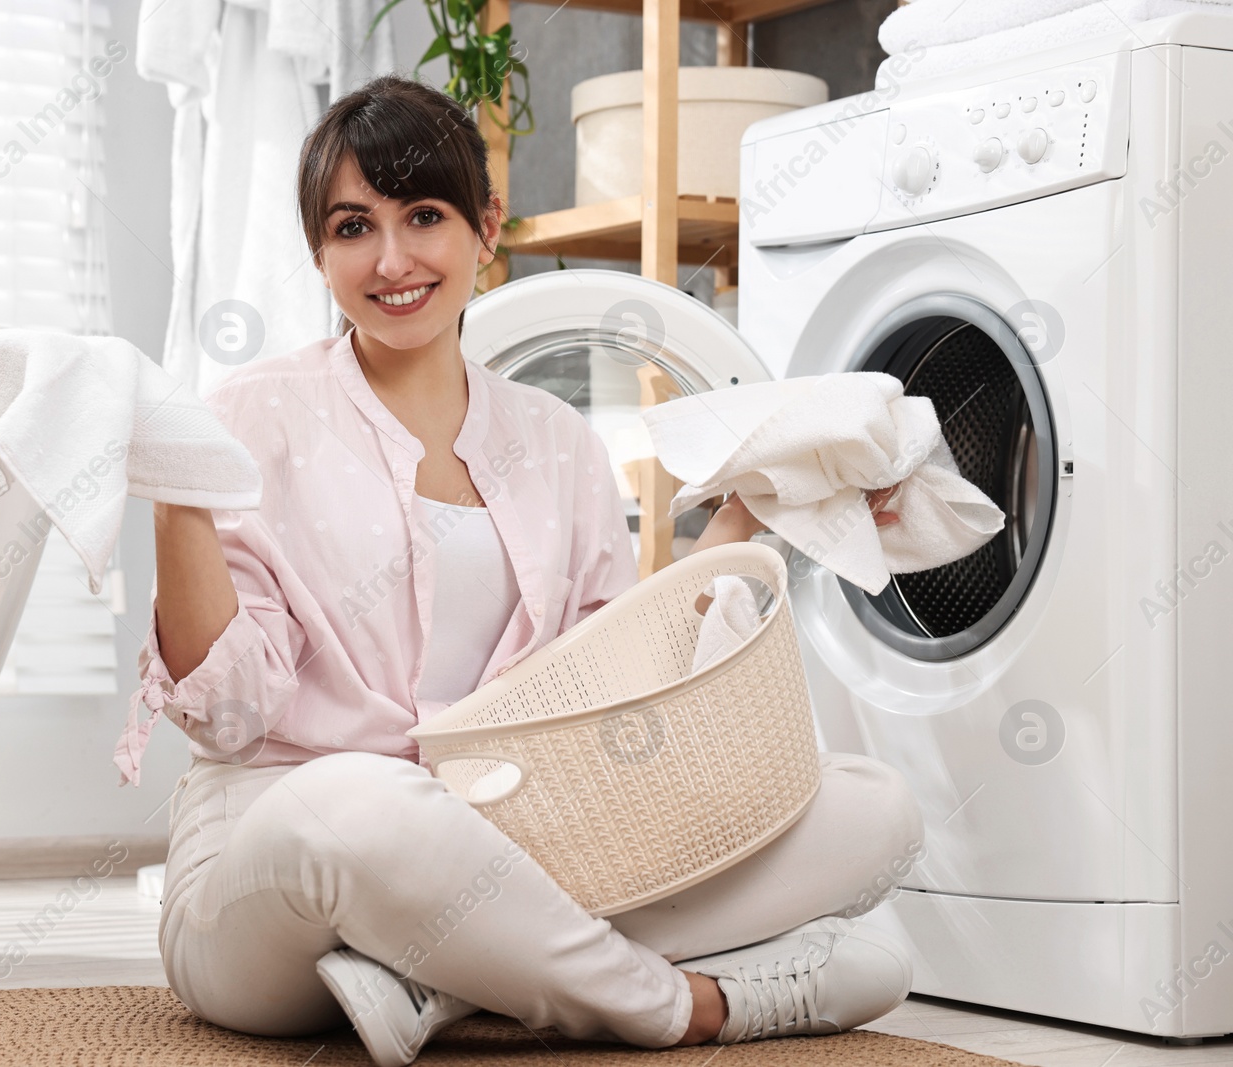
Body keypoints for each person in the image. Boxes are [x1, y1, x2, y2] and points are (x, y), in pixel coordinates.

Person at [114, 73, 923, 1067]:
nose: (393, 259)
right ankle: (674, 1007)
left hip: (516, 843)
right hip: (279, 872)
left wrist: (760, 509)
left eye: (424, 216)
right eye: (353, 226)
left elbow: (620, 684)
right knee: (362, 800)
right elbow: (228, 717)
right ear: (319, 249)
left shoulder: (555, 441)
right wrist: (175, 486)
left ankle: (439, 979)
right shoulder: (247, 416)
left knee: (873, 807)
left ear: (485, 226)